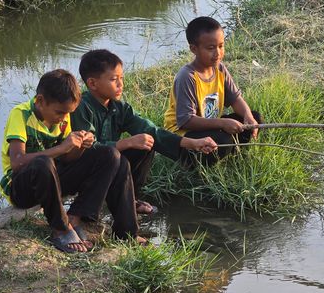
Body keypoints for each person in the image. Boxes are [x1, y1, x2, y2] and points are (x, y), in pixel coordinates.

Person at [0, 69, 141, 253]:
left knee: (111, 155)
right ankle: (60, 228)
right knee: (43, 163)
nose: (62, 118)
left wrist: (80, 145)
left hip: (52, 181)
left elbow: (68, 158)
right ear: (40, 101)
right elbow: (17, 162)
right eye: (59, 113)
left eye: (67, 113)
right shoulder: (20, 114)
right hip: (22, 188)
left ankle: (120, 230)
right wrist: (61, 148)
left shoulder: (63, 117)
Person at [71, 49, 217, 215]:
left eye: (121, 78)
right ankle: (83, 213)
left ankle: (129, 199)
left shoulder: (119, 107)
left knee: (146, 142)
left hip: (109, 163)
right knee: (112, 154)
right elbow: (87, 148)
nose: (120, 84)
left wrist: (192, 143)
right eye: (113, 79)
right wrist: (125, 143)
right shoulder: (81, 107)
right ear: (92, 84)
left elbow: (151, 130)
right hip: (81, 169)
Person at [163, 16, 262, 164]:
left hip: (208, 126)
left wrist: (248, 116)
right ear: (194, 49)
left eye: (221, 46)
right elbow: (186, 121)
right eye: (211, 48)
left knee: (255, 118)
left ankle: (231, 152)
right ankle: (193, 162)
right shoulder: (187, 77)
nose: (217, 53)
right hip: (184, 136)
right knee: (223, 140)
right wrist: (222, 123)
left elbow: (235, 99)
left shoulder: (219, 69)